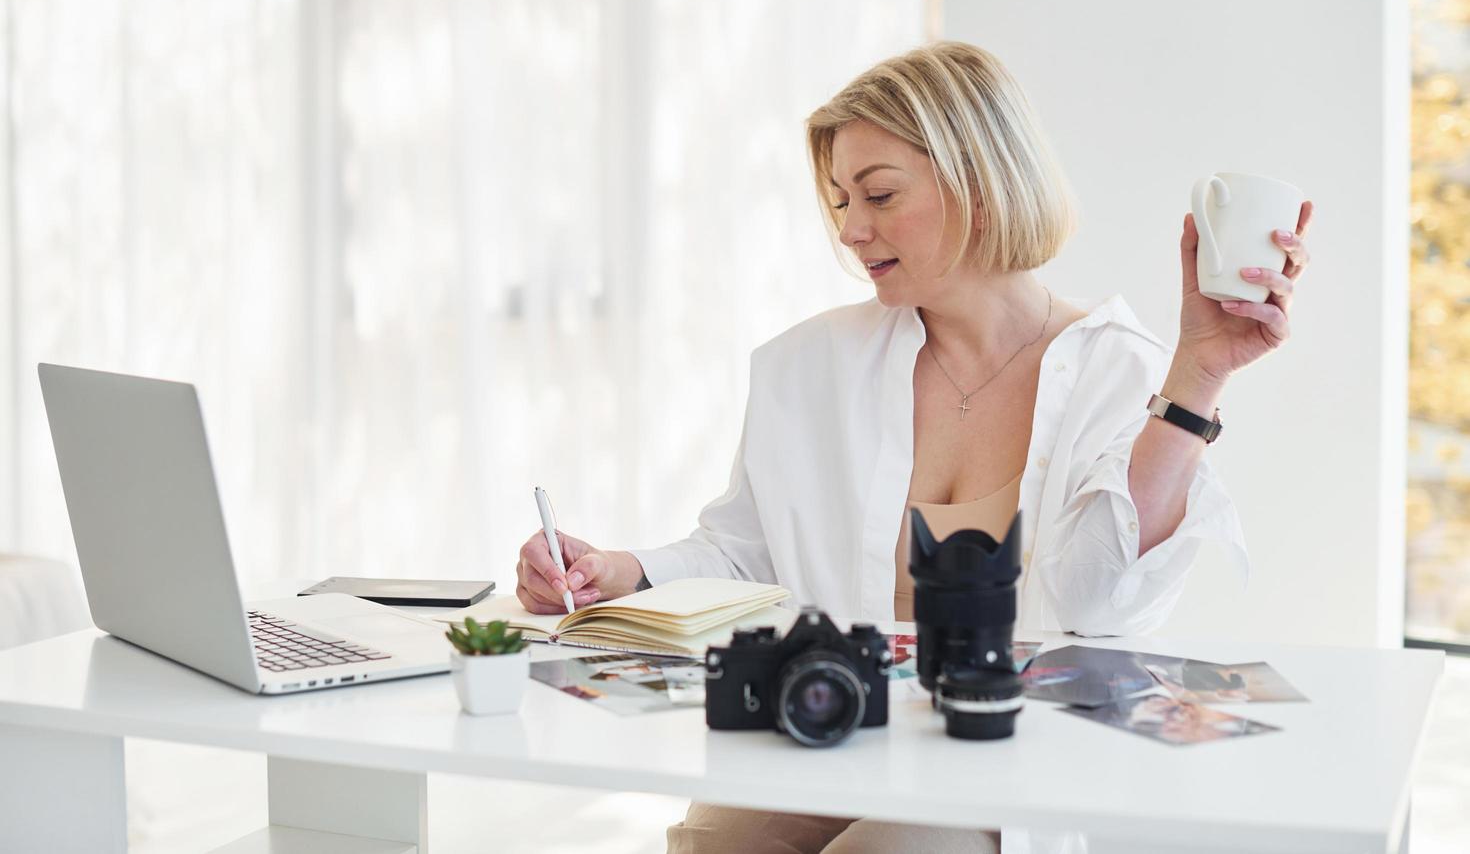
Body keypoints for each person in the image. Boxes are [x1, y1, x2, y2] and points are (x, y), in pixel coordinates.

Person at [513, 42, 1315, 853]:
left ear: (980, 180)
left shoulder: (1123, 370)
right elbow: (745, 554)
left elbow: (1098, 603)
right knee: (720, 838)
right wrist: (623, 572)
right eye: (839, 201)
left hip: (1011, 760)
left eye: (881, 195)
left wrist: (1198, 376)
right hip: (834, 732)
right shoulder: (805, 365)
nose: (853, 230)